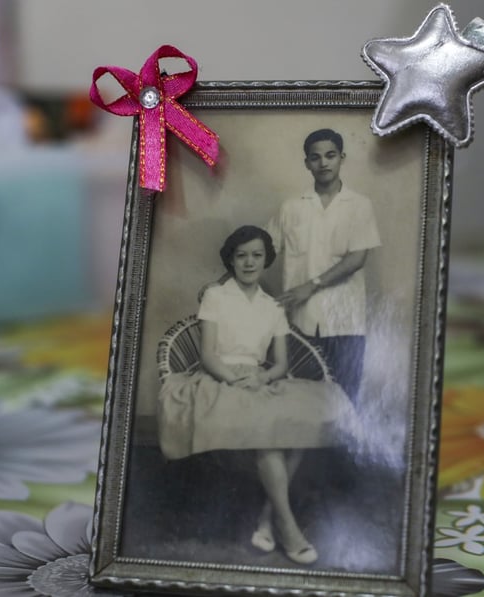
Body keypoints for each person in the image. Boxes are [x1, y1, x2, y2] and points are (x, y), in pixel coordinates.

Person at [158, 225, 355, 566]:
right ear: (231, 260)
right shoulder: (216, 296)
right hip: (220, 379)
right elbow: (207, 355)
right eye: (242, 255)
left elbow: (281, 364)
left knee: (308, 415)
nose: (249, 262)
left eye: (257, 255)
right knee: (270, 436)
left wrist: (261, 377)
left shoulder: (272, 307)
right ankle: (288, 528)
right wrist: (235, 379)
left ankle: (267, 519)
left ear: (266, 260)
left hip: (259, 379)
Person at [266, 128, 381, 404]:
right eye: (315, 158)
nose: (323, 163)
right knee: (301, 398)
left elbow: (357, 258)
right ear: (307, 163)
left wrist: (312, 285)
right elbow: (262, 250)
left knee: (346, 399)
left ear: (341, 158)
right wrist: (226, 282)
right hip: (300, 320)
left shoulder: (360, 206)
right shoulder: (291, 208)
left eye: (330, 155)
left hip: (346, 320)